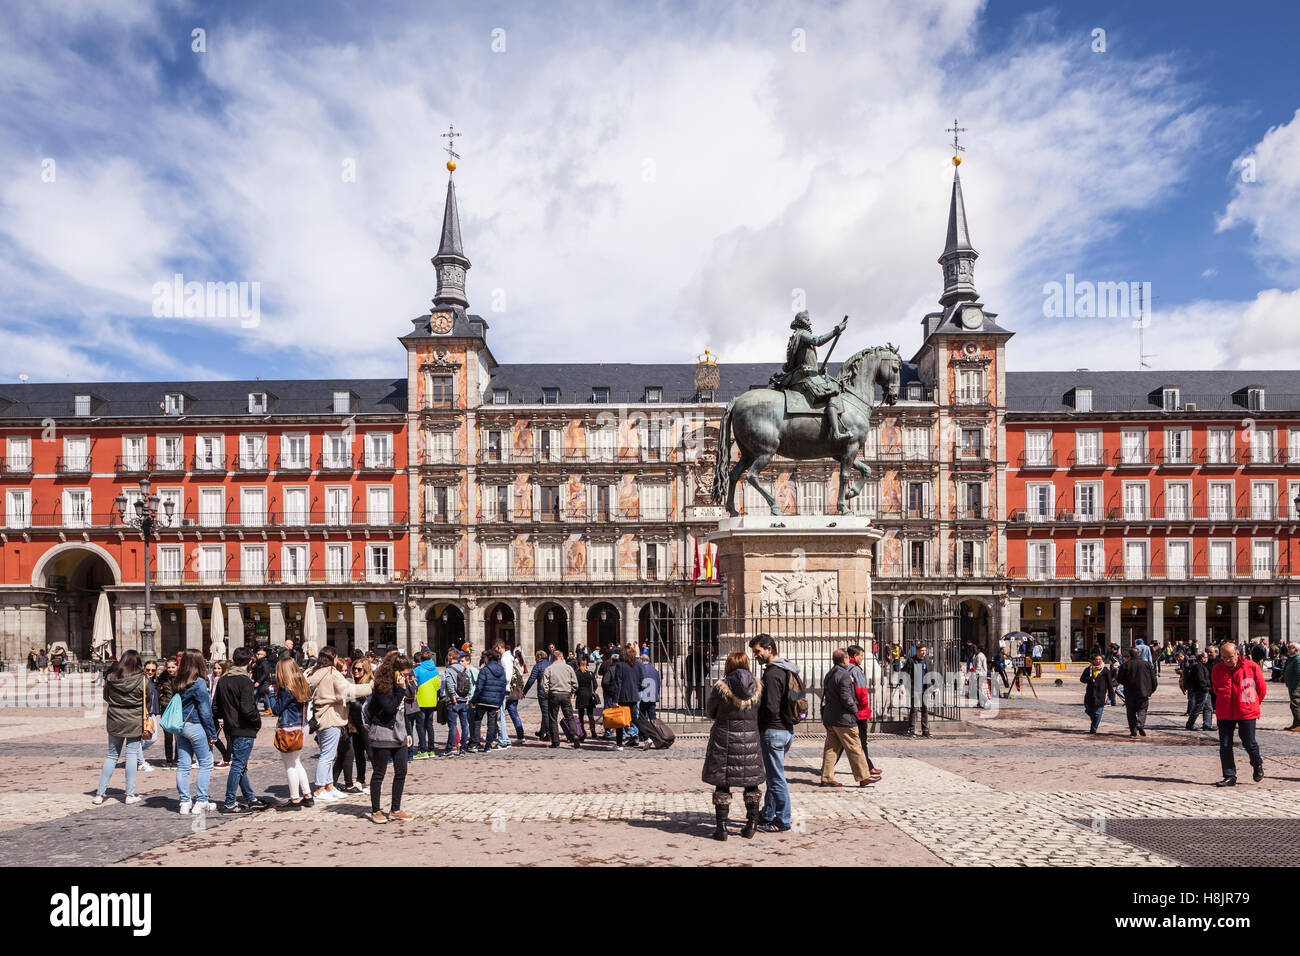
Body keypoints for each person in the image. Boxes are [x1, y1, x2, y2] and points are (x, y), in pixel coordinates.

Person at [702, 651, 765, 841]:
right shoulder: (758, 686)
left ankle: (721, 828)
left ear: (727, 665)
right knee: (751, 782)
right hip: (750, 738)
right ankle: (751, 824)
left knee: (723, 782)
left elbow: (710, 711)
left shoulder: (721, 687)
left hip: (724, 739)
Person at [307, 646, 374, 801]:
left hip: (321, 717)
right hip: (331, 717)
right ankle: (319, 789)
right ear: (333, 657)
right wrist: (368, 687)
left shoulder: (315, 672)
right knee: (327, 756)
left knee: (328, 754)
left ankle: (329, 786)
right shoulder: (332, 673)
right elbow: (347, 690)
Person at [749, 634, 798, 833]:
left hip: (773, 731)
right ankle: (767, 813)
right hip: (786, 730)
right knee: (772, 775)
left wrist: (759, 722)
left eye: (758, 652)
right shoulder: (788, 670)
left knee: (776, 778)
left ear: (769, 649)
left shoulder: (771, 674)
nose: (756, 656)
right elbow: (797, 697)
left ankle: (782, 820)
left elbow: (770, 706)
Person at [214, 646, 269, 813]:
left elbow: (215, 707)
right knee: (238, 765)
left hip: (230, 728)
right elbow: (247, 708)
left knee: (240, 765)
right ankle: (230, 802)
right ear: (250, 662)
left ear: (233, 660)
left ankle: (250, 798)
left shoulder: (223, 680)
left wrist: (226, 717)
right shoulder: (245, 681)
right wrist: (257, 722)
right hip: (244, 728)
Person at [364, 653, 415, 823]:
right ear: (395, 671)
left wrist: (408, 732)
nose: (406, 678)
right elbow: (389, 708)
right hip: (383, 733)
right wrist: (400, 689)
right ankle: (375, 810)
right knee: (379, 772)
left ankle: (395, 808)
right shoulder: (381, 686)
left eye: (408, 675)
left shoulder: (402, 685)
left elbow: (403, 711)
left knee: (401, 771)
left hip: (399, 734)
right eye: (405, 674)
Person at [93, 649, 148, 806]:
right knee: (131, 755)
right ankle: (129, 794)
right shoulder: (142, 680)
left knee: (112, 755)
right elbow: (148, 698)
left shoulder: (111, 677)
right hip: (134, 721)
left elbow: (106, 696)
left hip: (115, 719)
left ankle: (99, 794)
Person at [1211, 641, 1266, 787]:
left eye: (1230, 657)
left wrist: (1252, 704)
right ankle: (1229, 775)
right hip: (1224, 712)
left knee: (1249, 742)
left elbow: (1261, 689)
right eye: (1224, 657)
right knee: (1225, 744)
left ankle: (1257, 763)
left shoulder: (1251, 667)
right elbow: (1215, 688)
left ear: (1237, 653)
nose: (1227, 660)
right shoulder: (1217, 668)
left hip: (1246, 711)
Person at [173, 649, 220, 815]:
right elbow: (205, 711)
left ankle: (184, 802)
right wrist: (212, 734)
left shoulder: (178, 680)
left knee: (184, 765)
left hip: (180, 726)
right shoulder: (199, 682)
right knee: (206, 763)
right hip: (195, 725)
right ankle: (201, 801)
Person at [820, 649, 874, 787]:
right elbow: (846, 697)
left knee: (831, 748)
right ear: (845, 659)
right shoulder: (844, 675)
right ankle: (863, 776)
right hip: (843, 718)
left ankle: (827, 777)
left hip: (831, 717)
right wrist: (855, 710)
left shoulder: (829, 674)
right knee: (854, 747)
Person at [270, 657, 313, 810]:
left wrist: (270, 694)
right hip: (301, 726)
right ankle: (307, 795)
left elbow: (276, 710)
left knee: (290, 765)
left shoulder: (286, 689)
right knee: (297, 762)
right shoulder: (302, 684)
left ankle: (295, 799)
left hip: (288, 728)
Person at [336, 658, 373, 793]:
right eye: (354, 669)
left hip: (365, 724)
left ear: (366, 670)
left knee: (371, 753)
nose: (356, 671)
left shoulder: (369, 684)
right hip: (353, 724)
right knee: (358, 754)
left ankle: (375, 782)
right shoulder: (351, 683)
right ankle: (361, 780)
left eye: (359, 669)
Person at [846, 645, 882, 779]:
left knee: (840, 743)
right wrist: (864, 707)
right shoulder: (855, 670)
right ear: (855, 656)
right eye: (861, 655)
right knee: (861, 741)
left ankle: (827, 768)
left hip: (848, 710)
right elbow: (862, 692)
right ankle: (868, 767)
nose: (862, 658)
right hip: (859, 711)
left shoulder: (844, 668)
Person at [468, 648, 509, 753]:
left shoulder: (485, 670)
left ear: (488, 658)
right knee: (492, 723)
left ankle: (476, 744)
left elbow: (479, 687)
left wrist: (474, 700)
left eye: (485, 657)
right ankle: (488, 745)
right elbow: (502, 688)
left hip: (482, 700)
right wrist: (499, 703)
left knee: (477, 721)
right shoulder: (501, 670)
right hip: (495, 701)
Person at [542, 650, 580, 748]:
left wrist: (548, 693)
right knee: (569, 717)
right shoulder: (568, 668)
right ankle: (574, 735)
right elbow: (575, 683)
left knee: (553, 719)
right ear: (562, 657)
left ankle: (555, 742)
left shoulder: (549, 669)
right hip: (566, 694)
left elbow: (544, 684)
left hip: (554, 694)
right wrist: (571, 692)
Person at [1116, 647, 1158, 738]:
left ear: (1130, 655)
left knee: (1130, 712)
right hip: (1143, 692)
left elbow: (1119, 679)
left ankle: (1133, 731)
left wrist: (1127, 683)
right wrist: (1151, 690)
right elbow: (1153, 680)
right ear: (1139, 654)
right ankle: (1140, 724)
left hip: (1129, 692)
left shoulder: (1125, 665)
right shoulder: (1147, 664)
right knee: (1142, 710)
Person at [440, 649, 472, 756]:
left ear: (450, 657)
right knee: (464, 724)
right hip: (464, 699)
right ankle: (463, 748)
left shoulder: (449, 670)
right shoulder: (464, 669)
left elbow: (449, 684)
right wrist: (468, 696)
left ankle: (449, 749)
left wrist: (453, 697)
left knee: (453, 725)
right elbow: (469, 683)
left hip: (453, 701)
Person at [609, 645, 641, 751]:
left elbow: (618, 683)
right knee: (635, 719)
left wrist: (615, 700)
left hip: (623, 696)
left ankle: (619, 744)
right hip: (634, 695)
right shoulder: (637, 664)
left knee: (620, 720)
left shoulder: (620, 665)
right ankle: (647, 737)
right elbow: (641, 679)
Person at [411, 650, 441, 758]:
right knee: (430, 725)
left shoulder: (417, 670)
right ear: (431, 659)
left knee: (420, 726)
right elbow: (437, 686)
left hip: (421, 700)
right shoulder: (436, 670)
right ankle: (431, 750)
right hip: (432, 701)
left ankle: (423, 750)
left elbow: (413, 685)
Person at [901, 645, 932, 737]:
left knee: (925, 709)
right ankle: (911, 729)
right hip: (915, 688)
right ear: (917, 651)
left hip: (925, 688)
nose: (924, 652)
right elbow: (904, 672)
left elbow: (930, 673)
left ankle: (925, 730)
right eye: (922, 650)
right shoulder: (911, 660)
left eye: (925, 650)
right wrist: (902, 684)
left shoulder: (927, 660)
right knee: (914, 709)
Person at [1079, 653, 1113, 734]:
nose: (1098, 661)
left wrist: (1111, 695)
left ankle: (1093, 728)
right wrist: (1089, 679)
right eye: (1096, 659)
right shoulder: (1088, 669)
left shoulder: (1105, 670)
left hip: (1100, 695)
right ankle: (1094, 721)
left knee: (1097, 713)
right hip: (1090, 694)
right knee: (1088, 710)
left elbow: (1109, 684)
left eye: (1100, 659)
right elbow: (1082, 679)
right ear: (1093, 660)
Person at [522, 650, 552, 740]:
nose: (535, 659)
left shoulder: (538, 666)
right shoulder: (551, 664)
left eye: (536, 657)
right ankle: (542, 732)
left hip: (542, 692)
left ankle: (549, 734)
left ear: (539, 657)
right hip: (552, 691)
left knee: (545, 713)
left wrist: (524, 691)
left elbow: (531, 680)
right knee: (547, 712)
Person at [1183, 651, 1214, 731]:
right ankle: (1190, 724)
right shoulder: (1198, 666)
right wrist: (1205, 688)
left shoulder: (1202, 665)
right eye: (1206, 657)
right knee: (1198, 708)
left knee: (1208, 707)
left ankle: (1207, 724)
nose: (1207, 659)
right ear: (1202, 658)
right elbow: (1200, 679)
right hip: (1201, 690)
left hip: (1206, 689)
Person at [156, 657, 178, 766]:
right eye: (168, 667)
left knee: (178, 735)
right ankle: (169, 760)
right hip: (166, 707)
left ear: (177, 667)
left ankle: (177, 760)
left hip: (178, 709)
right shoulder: (163, 677)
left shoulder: (181, 677)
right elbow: (157, 688)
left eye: (173, 667)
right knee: (168, 736)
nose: (170, 669)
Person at [209, 659, 231, 767]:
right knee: (213, 736)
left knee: (225, 737)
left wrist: (221, 717)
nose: (216, 670)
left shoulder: (224, 680)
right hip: (213, 711)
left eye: (219, 668)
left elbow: (222, 700)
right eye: (215, 668)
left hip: (221, 713)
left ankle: (227, 758)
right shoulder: (212, 679)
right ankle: (227, 756)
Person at [503, 647, 527, 746]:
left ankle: (493, 735)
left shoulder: (508, 670)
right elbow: (521, 683)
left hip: (508, 695)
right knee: (514, 716)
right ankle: (521, 736)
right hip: (515, 696)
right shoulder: (516, 671)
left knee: (498, 715)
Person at [575, 657, 599, 739]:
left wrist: (575, 693)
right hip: (589, 696)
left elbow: (574, 686)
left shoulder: (576, 674)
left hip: (580, 696)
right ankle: (593, 732)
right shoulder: (590, 674)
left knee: (580, 715)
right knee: (590, 715)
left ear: (578, 664)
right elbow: (595, 685)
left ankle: (581, 733)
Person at [638, 653, 662, 725]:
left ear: (642, 660)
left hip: (645, 695)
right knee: (652, 716)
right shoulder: (654, 669)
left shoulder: (642, 669)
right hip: (653, 695)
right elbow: (658, 682)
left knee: (642, 716)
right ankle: (656, 732)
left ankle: (644, 733)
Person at [251, 647, 275, 713]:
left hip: (264, 683)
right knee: (258, 695)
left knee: (262, 696)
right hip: (260, 683)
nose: (257, 655)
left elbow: (265, 673)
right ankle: (255, 709)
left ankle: (269, 709)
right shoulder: (259, 662)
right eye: (257, 654)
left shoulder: (264, 663)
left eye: (259, 654)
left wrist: (258, 681)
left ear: (263, 655)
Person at [1284, 643, 1300, 731]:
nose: (1288, 649)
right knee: (1294, 705)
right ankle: (1295, 724)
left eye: (1290, 648)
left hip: (1296, 686)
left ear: (1296, 650)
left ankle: (1299, 725)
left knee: (1295, 704)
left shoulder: (1298, 659)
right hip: (1292, 685)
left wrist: (1294, 685)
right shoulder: (1292, 658)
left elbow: (1298, 674)